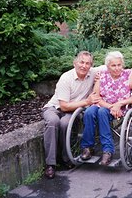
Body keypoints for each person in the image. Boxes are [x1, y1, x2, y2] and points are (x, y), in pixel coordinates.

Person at [42, 51, 102, 179]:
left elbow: (112, 64)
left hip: (72, 111)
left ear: (91, 66)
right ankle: (50, 164)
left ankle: (66, 158)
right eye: (81, 62)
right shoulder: (66, 78)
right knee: (53, 122)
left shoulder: (92, 73)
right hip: (55, 108)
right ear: (75, 63)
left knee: (66, 123)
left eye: (87, 63)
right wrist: (87, 101)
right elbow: (63, 106)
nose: (84, 66)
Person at [80, 51, 132, 165]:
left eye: (119, 65)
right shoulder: (102, 75)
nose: (116, 68)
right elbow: (96, 96)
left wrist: (119, 104)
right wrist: (111, 106)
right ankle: (87, 148)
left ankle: (107, 151)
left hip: (121, 108)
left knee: (102, 112)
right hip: (103, 104)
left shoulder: (129, 75)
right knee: (89, 112)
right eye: (113, 65)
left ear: (122, 65)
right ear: (107, 66)